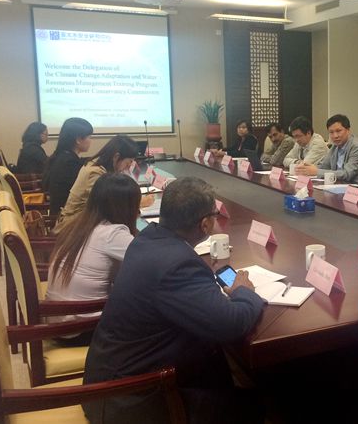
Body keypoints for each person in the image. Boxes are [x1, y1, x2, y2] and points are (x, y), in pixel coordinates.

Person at [83, 177, 264, 424]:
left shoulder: (146, 239)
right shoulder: (178, 265)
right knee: (259, 404)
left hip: (113, 380)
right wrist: (245, 292)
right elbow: (231, 324)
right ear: (205, 224)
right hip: (131, 400)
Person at [45, 173, 140, 345]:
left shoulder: (79, 224)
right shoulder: (113, 234)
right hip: (81, 328)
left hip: (57, 321)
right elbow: (151, 258)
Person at [55, 134, 143, 233]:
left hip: (82, 221)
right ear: (116, 157)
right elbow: (109, 207)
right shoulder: (95, 173)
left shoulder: (97, 165)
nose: (129, 166)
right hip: (73, 227)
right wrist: (137, 203)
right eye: (129, 162)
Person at [296, 114, 358, 187]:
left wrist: (316, 171)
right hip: (339, 186)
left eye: (338, 131)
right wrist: (309, 168)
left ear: (348, 130)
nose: (335, 136)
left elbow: (347, 174)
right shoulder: (335, 146)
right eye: (331, 132)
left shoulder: (357, 147)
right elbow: (324, 167)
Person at [43, 117, 93, 215]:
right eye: (89, 137)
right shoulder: (69, 163)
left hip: (60, 212)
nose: (91, 141)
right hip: (66, 217)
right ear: (78, 140)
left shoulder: (60, 156)